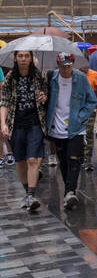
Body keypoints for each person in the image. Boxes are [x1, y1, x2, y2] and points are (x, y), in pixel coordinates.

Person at [46, 53, 97, 209]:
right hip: (56, 126)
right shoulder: (51, 78)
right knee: (63, 161)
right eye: (62, 66)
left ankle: (70, 192)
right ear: (58, 65)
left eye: (68, 66)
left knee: (74, 158)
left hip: (76, 127)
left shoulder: (80, 78)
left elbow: (91, 100)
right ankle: (68, 192)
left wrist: (81, 116)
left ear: (73, 65)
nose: (65, 69)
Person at [0, 48, 48, 212]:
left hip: (35, 122)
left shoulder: (39, 76)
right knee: (20, 161)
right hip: (16, 124)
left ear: (31, 58)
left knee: (32, 160)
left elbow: (46, 94)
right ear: (15, 58)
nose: (23, 59)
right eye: (20, 56)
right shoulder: (9, 79)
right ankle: (27, 191)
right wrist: (3, 124)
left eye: (26, 56)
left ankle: (31, 194)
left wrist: (44, 97)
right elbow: (4, 102)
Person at [82, 65, 97, 171]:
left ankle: (87, 159)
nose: (83, 68)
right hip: (75, 110)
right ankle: (78, 158)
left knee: (88, 133)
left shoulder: (94, 74)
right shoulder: (73, 74)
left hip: (89, 110)